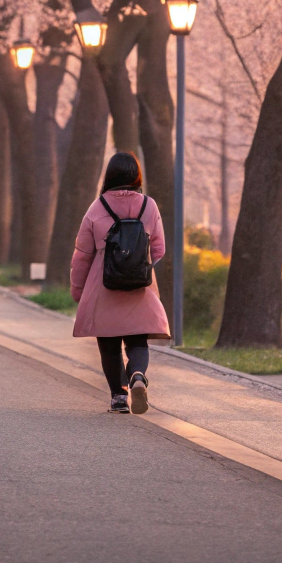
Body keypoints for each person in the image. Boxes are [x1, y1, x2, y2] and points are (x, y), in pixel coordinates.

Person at [70, 152, 168, 414]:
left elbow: (83, 253)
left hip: (104, 285)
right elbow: (158, 250)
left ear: (109, 175)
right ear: (136, 175)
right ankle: (137, 375)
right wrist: (138, 261)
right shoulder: (149, 205)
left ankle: (119, 397)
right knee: (137, 342)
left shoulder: (97, 206)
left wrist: (78, 288)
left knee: (109, 345)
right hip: (139, 286)